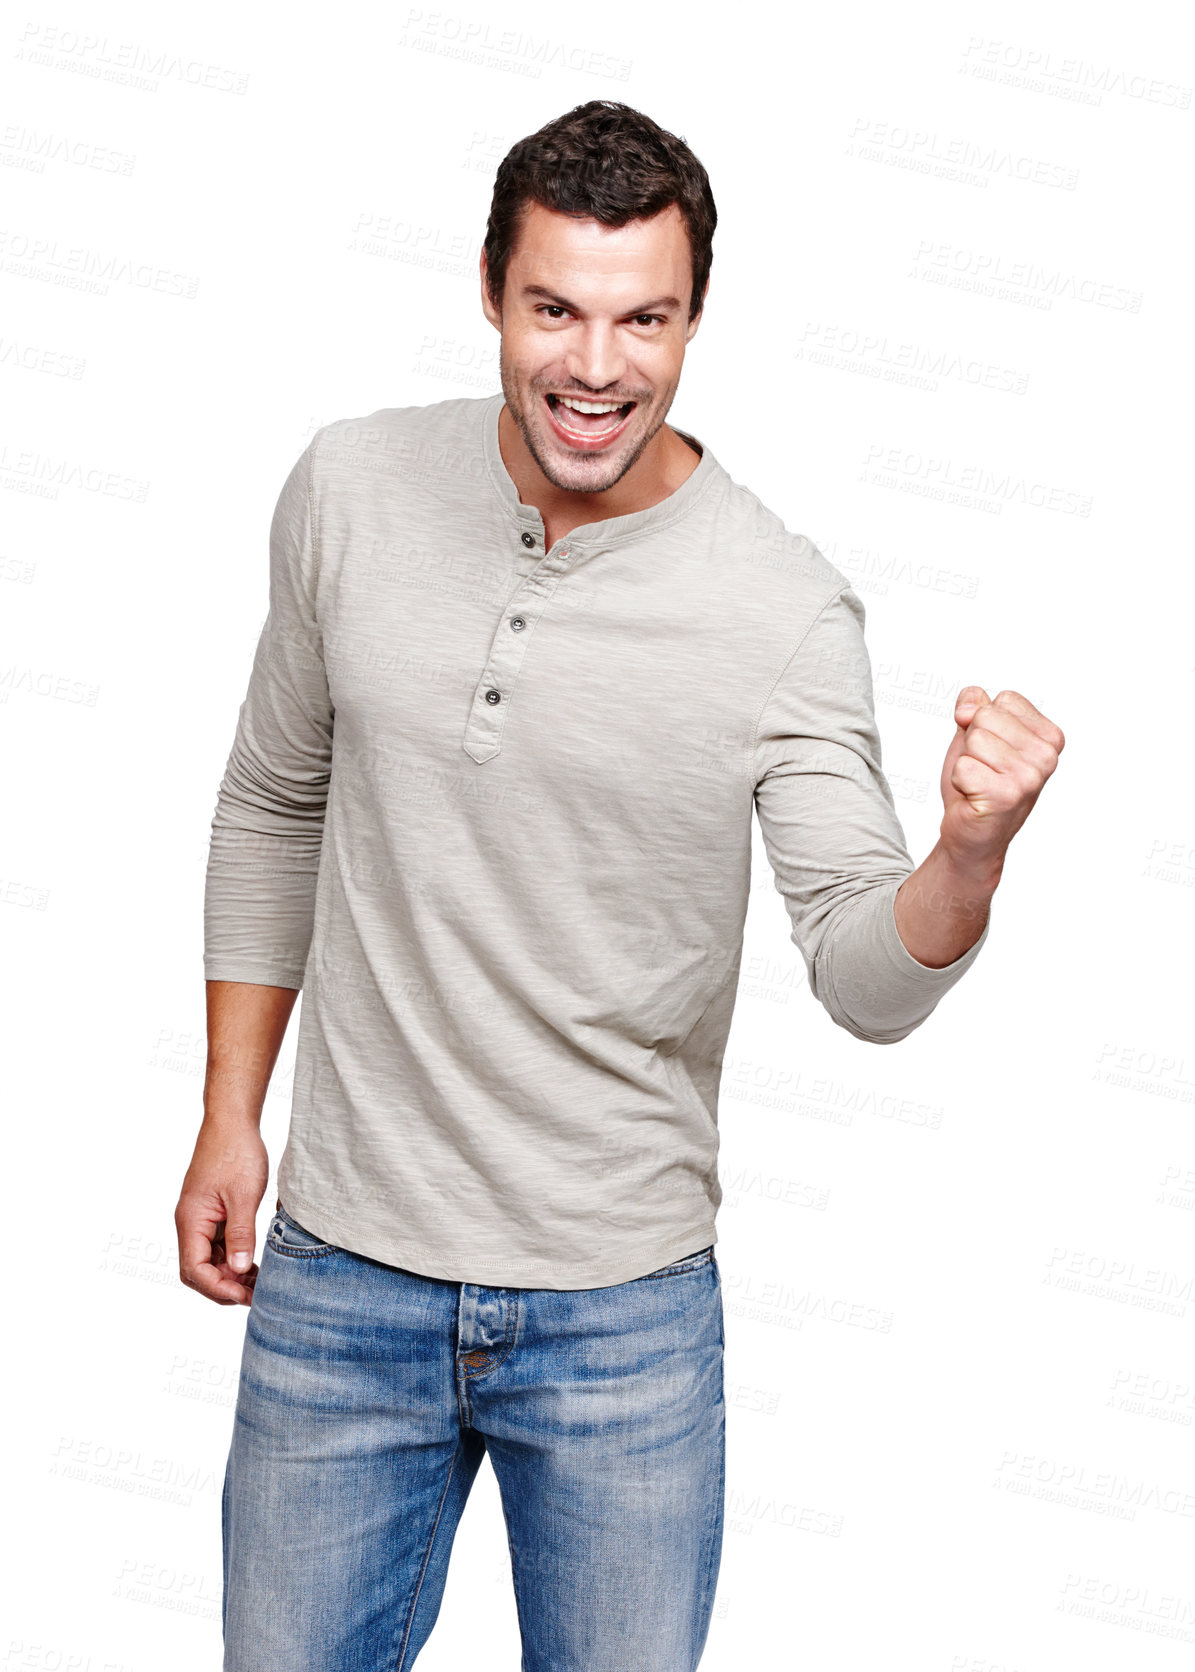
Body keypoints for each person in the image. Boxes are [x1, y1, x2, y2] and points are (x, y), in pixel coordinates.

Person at [176, 99, 1064, 1671]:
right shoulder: (350, 492)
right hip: (339, 1276)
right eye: (558, 310)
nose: (597, 368)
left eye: (644, 318)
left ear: (695, 317)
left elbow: (863, 976)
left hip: (621, 1320)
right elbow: (273, 803)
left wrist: (969, 856)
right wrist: (230, 1114)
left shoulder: (782, 611)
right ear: (490, 291)